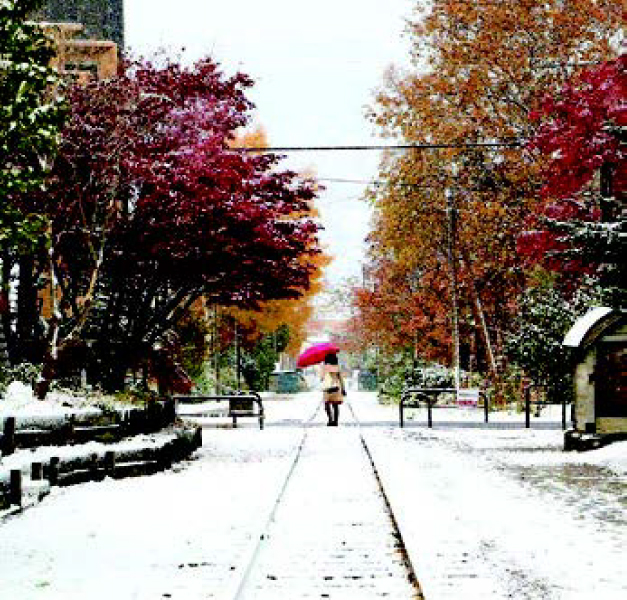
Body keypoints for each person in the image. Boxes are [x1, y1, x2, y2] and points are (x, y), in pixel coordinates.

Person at [321, 352, 346, 426]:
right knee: (335, 406)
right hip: (336, 388)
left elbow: (322, 378)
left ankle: (330, 420)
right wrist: (343, 389)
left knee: (327, 405)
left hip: (327, 388)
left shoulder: (325, 368)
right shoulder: (337, 367)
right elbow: (341, 379)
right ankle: (335, 421)